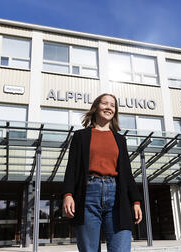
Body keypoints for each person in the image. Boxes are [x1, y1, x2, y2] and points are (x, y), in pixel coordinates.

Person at [62, 93, 142, 252]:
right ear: (96, 107)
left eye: (112, 105)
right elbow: (72, 168)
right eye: (105, 103)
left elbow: (127, 173)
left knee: (121, 248)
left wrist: (136, 201)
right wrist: (68, 194)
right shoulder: (80, 136)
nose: (109, 107)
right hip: (88, 194)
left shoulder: (120, 140)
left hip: (117, 196)